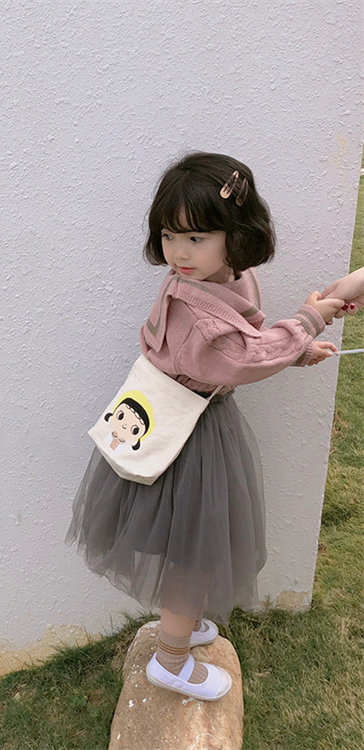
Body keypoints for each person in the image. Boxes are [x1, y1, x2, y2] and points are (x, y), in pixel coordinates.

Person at [66, 152, 345, 702]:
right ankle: (171, 660)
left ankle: (184, 624)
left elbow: (247, 341)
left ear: (235, 238)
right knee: (193, 553)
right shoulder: (192, 301)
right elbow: (240, 356)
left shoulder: (230, 279)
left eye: (196, 238)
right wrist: (310, 320)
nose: (179, 253)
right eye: (170, 236)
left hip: (188, 420)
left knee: (193, 542)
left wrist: (293, 349)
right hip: (185, 436)